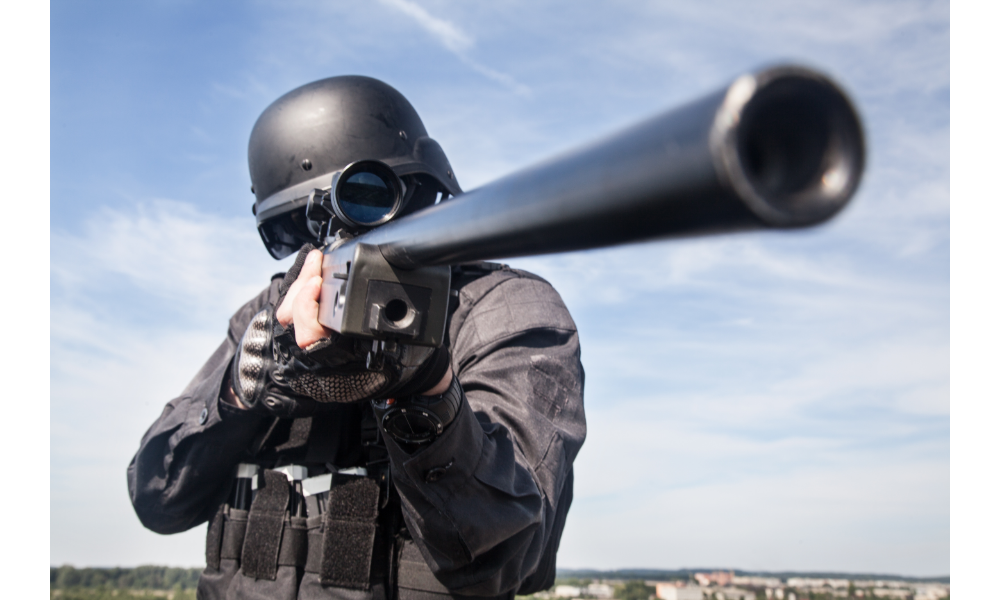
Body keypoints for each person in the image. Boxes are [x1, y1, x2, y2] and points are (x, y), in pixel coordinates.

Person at [128, 75, 586, 600]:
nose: (320, 248)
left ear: (414, 192)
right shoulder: (268, 313)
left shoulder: (504, 308)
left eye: (364, 205)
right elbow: (157, 498)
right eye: (296, 232)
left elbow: (503, 560)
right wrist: (239, 391)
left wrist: (423, 387)